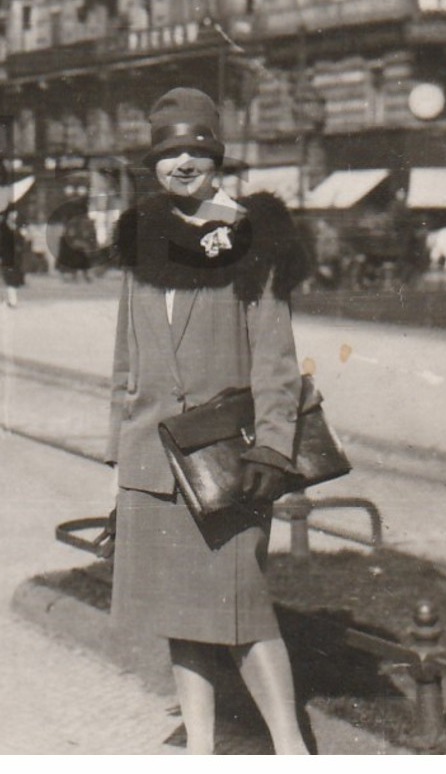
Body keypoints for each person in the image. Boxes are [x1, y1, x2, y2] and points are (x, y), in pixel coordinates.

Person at [107, 86, 313, 755]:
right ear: (153, 164)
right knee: (179, 615)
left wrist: (273, 451)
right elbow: (126, 358)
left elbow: (276, 360)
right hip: (152, 458)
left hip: (227, 461)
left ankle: (292, 751)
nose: (182, 164)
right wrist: (121, 451)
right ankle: (199, 750)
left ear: (217, 157)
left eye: (196, 149)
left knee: (240, 609)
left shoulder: (252, 240)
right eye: (168, 153)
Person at [0, 207, 27, 308]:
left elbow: (22, 243)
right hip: (9, 257)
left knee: (12, 279)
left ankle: (13, 301)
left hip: (14, 257)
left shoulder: (17, 229)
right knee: (10, 279)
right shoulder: (5, 229)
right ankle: (13, 300)